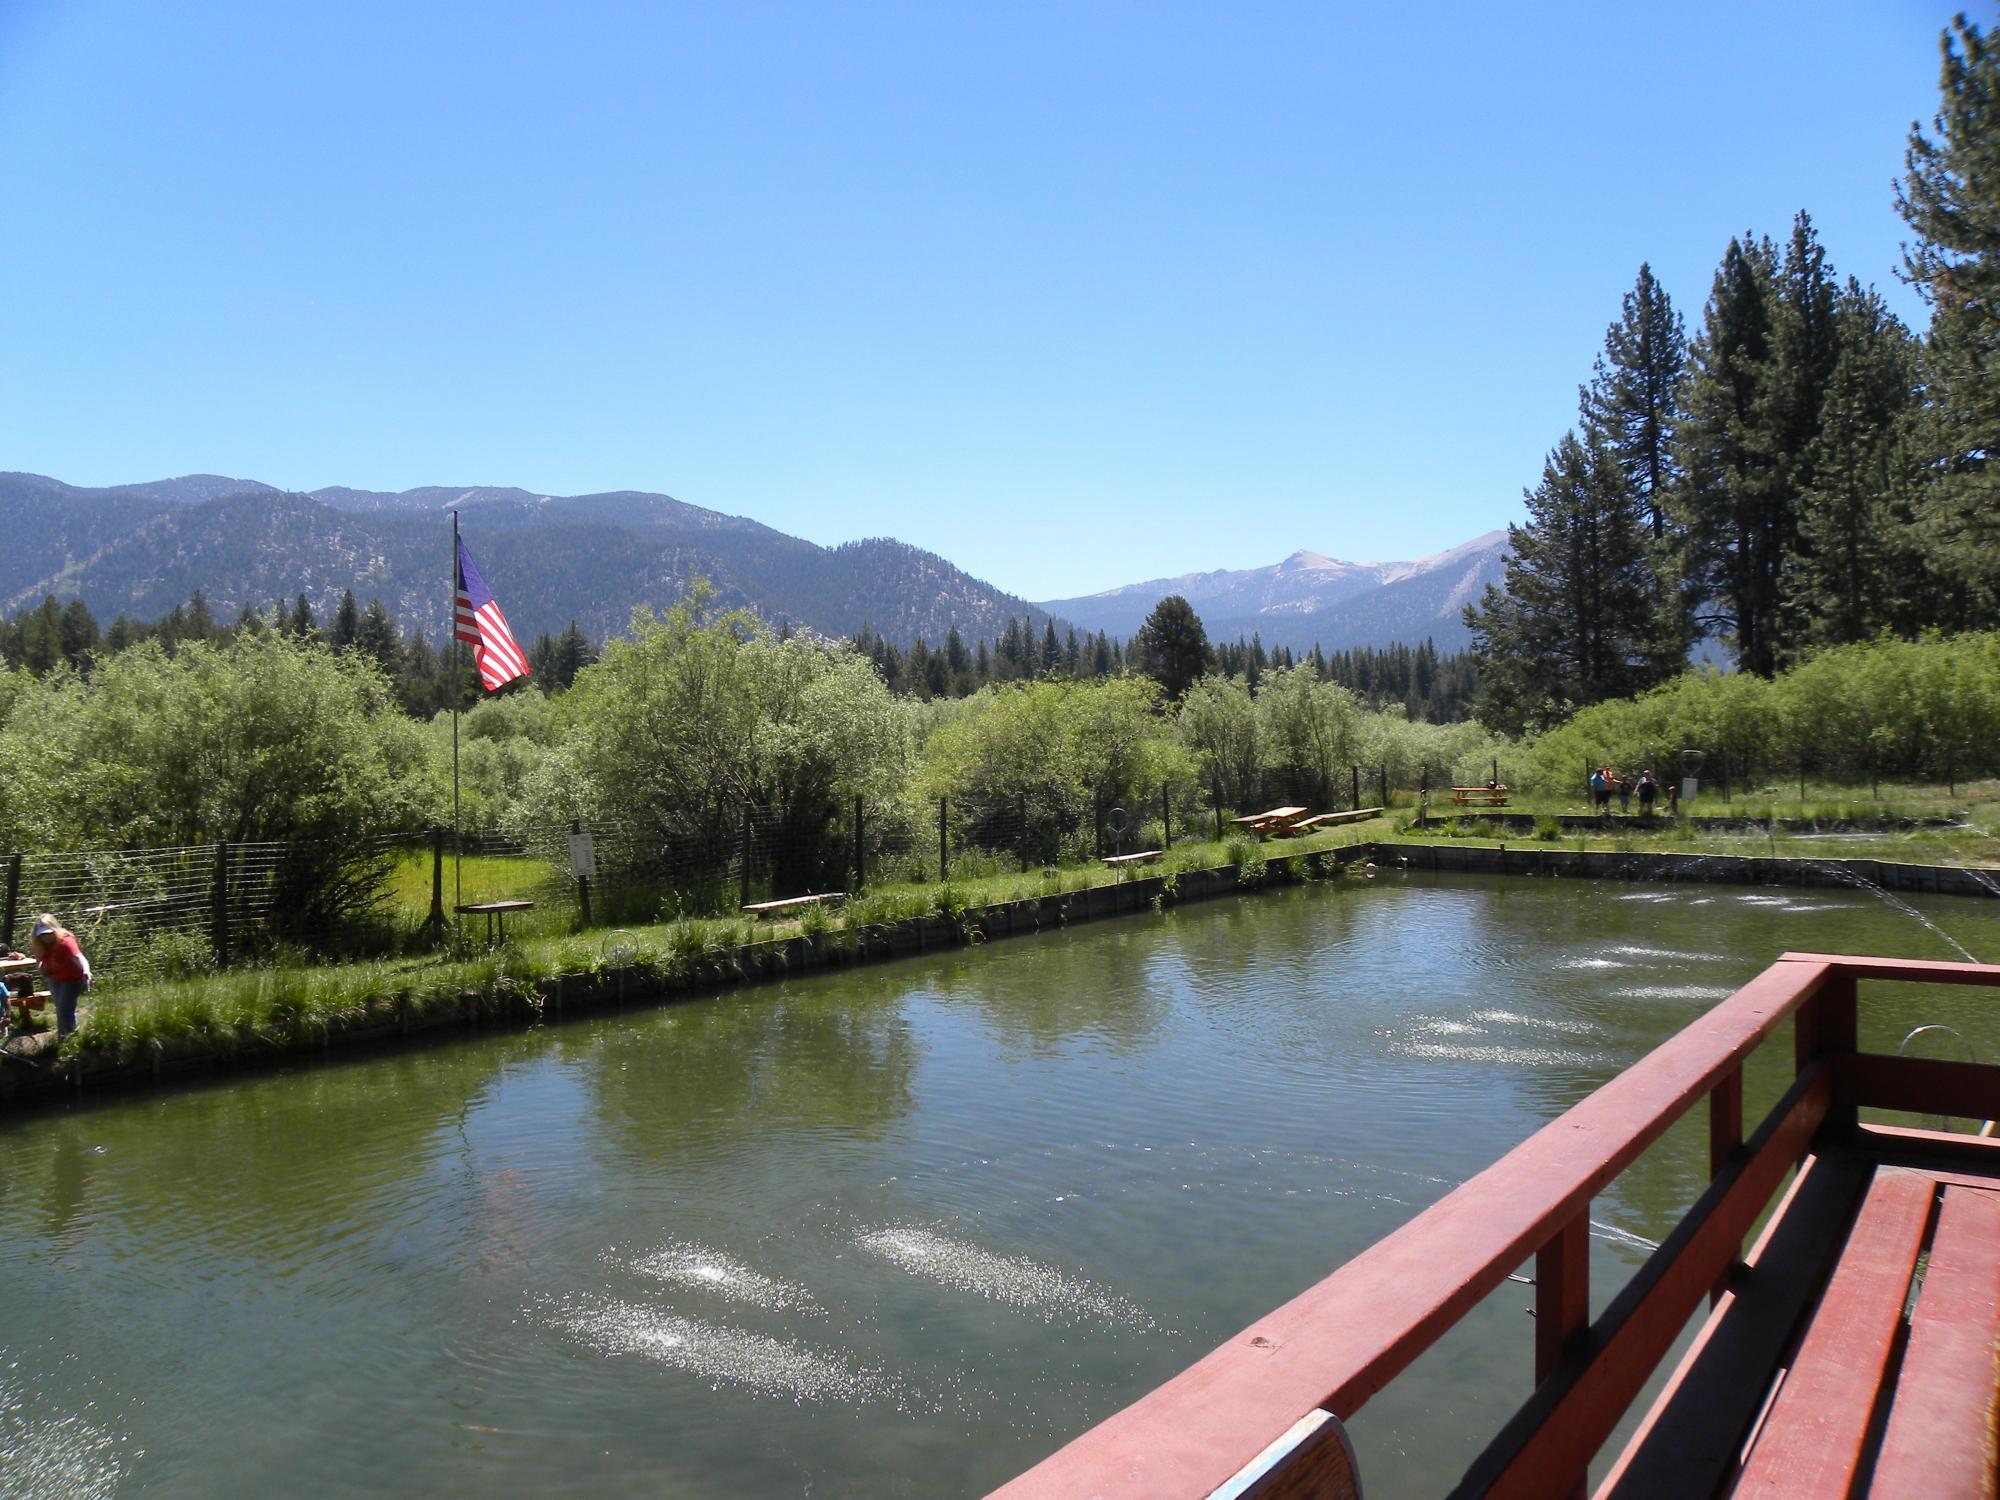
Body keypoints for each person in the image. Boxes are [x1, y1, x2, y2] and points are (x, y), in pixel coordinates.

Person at [21, 915, 89, 1038]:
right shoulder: (39, 944)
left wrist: (86, 971)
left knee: (64, 1008)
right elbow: (39, 958)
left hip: (72, 978)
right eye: (42, 935)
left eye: (48, 933)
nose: (46, 937)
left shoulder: (65, 942)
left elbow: (78, 957)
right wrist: (41, 968)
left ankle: (70, 1038)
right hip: (54, 976)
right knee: (60, 1008)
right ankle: (63, 1036)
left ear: (54, 929)